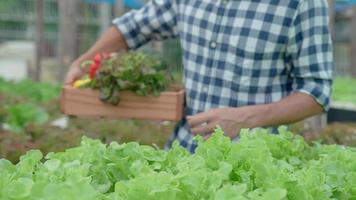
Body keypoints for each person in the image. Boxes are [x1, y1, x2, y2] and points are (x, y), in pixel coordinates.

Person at [65, 0, 333, 153]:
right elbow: (135, 26)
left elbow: (316, 91)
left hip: (253, 163)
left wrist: (245, 118)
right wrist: (84, 61)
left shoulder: (300, 3)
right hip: (181, 152)